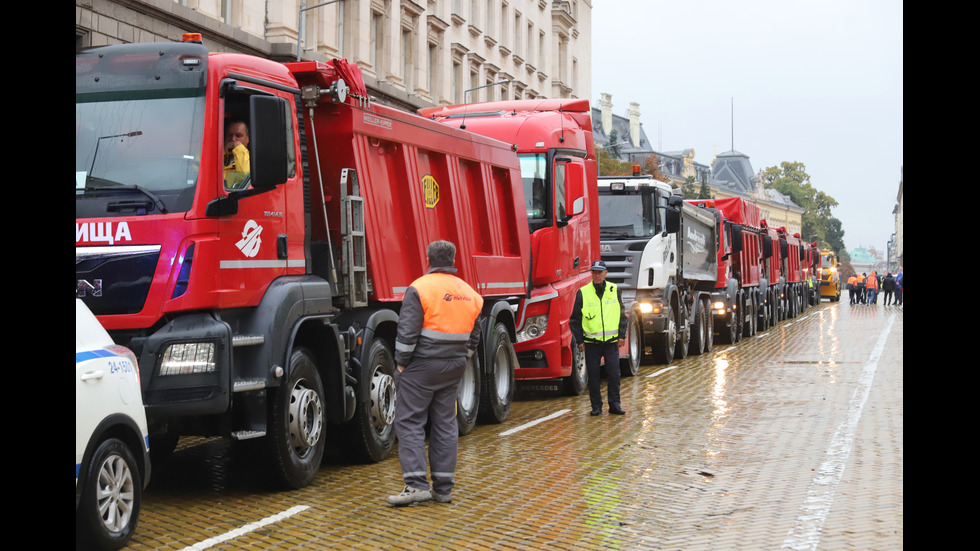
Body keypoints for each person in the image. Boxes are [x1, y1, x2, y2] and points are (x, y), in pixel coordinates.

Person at [387, 240, 483, 507]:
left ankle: (416, 485)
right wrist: (463, 357)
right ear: (453, 260)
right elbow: (475, 336)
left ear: (428, 259)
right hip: (453, 366)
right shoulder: (469, 293)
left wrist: (401, 364)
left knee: (409, 421)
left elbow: (407, 333)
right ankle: (443, 489)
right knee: (445, 424)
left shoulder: (420, 288)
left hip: (422, 367)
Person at [570, 260, 627, 416]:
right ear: (591, 274)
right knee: (594, 376)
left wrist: (622, 335)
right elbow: (574, 319)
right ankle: (596, 407)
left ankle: (615, 405)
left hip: (611, 343)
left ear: (605, 273)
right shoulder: (583, 292)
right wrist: (580, 340)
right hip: (591, 344)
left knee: (614, 374)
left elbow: (622, 315)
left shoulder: (614, 289)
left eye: (600, 272)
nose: (597, 275)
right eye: (594, 272)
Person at [223, 120, 250, 188]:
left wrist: (238, 147)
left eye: (238, 135)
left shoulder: (253, 159)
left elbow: (245, 178)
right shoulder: (214, 155)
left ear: (248, 138)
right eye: (229, 135)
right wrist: (223, 151)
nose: (233, 139)